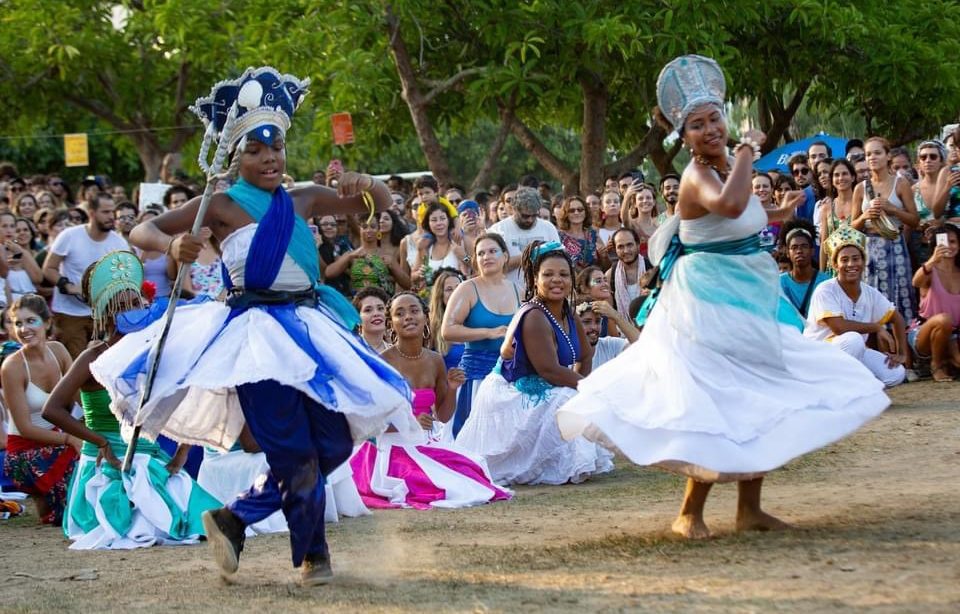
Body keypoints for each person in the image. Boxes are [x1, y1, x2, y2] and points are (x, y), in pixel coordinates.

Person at [87, 67, 418, 585]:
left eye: (276, 147)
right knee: (291, 449)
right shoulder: (219, 204)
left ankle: (235, 517)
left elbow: (376, 204)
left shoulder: (303, 197)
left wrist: (369, 184)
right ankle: (315, 558)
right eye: (255, 150)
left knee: (332, 443)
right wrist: (171, 245)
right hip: (254, 337)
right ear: (236, 157)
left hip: (311, 325)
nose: (269, 158)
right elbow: (142, 228)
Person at [556, 55, 889, 540]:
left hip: (744, 293)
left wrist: (778, 209)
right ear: (684, 136)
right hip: (705, 301)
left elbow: (742, 214)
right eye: (697, 124)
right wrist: (752, 155)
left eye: (714, 118)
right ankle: (689, 513)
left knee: (756, 392)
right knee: (714, 397)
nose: (710, 129)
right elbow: (730, 203)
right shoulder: (697, 174)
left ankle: (750, 509)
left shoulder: (727, 165)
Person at [42, 251, 220, 548]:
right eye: (123, 306)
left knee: (197, 519)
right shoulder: (93, 357)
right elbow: (52, 409)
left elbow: (187, 392)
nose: (134, 310)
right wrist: (100, 442)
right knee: (139, 526)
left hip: (149, 459)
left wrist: (184, 450)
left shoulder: (152, 354)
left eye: (138, 303)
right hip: (105, 463)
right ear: (107, 313)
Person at [457, 241, 613, 485]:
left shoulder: (568, 311)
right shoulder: (534, 316)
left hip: (542, 384)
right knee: (566, 399)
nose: (556, 280)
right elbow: (548, 370)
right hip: (511, 392)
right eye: (548, 274)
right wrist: (587, 389)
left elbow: (584, 355)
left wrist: (584, 387)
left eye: (563, 274)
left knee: (572, 398)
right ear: (535, 279)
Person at [350, 292, 510, 509]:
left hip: (424, 442)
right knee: (427, 485)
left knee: (470, 470)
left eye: (414, 311)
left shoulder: (435, 360)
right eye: (400, 313)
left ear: (425, 318)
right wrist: (408, 423)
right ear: (391, 324)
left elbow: (443, 416)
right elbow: (369, 422)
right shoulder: (382, 363)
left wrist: (452, 389)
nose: (408, 317)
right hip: (391, 447)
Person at [1, 295, 78, 525]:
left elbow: (81, 400)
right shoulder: (12, 366)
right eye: (18, 323)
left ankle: (50, 500)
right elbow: (24, 428)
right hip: (23, 454)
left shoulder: (59, 351)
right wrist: (70, 438)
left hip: (59, 444)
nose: (24, 329)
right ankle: (46, 496)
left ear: (47, 323)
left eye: (30, 321)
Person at [804, 226, 907, 387]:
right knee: (854, 340)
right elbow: (839, 328)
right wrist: (876, 328)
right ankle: (830, 387)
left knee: (896, 373)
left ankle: (861, 389)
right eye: (844, 260)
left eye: (856, 258)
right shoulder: (825, 289)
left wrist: (902, 353)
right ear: (835, 265)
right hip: (819, 356)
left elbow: (897, 318)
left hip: (853, 352)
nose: (851, 264)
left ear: (863, 262)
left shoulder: (869, 292)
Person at [441, 234, 519, 438]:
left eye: (492, 251)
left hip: (511, 375)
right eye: (481, 253)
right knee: (475, 439)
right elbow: (447, 330)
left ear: (505, 256)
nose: (486, 257)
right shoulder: (467, 288)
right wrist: (488, 332)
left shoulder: (518, 290)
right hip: (476, 376)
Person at [42, 192, 128, 357]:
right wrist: (69, 286)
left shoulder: (119, 243)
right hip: (70, 313)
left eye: (112, 212)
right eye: (105, 212)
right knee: (74, 364)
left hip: (104, 314)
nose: (111, 216)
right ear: (92, 213)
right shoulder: (69, 236)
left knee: (101, 364)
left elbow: (125, 278)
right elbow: (49, 269)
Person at [850, 136, 919, 323]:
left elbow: (915, 220)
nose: (872, 157)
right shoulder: (860, 188)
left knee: (899, 296)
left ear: (888, 156)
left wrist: (893, 209)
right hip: (869, 248)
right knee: (871, 297)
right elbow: (852, 226)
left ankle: (903, 344)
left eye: (877, 153)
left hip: (895, 246)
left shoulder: (901, 183)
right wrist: (865, 217)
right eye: (868, 154)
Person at [909, 223, 960, 381]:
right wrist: (932, 260)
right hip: (925, 332)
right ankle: (936, 365)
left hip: (954, 334)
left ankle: (948, 359)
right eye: (944, 242)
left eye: (953, 242)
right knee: (944, 320)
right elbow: (916, 283)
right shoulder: (929, 270)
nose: (949, 246)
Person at [488, 186, 561, 294]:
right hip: (508, 294)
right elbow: (494, 268)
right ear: (513, 209)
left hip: (542, 293)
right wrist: (527, 256)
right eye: (525, 216)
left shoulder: (548, 228)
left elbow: (559, 262)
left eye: (534, 216)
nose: (530, 220)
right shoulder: (498, 230)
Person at [779, 221, 830, 318]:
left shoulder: (825, 282)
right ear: (787, 253)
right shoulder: (779, 282)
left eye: (804, 246)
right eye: (794, 247)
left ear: (812, 251)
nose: (799, 251)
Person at [818, 159, 858, 272]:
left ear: (853, 177)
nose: (840, 178)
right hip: (834, 267)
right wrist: (822, 274)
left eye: (845, 174)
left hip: (856, 265)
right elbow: (824, 244)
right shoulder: (827, 207)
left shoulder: (860, 204)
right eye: (836, 175)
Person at [575, 299, 637, 369]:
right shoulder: (565, 355)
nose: (594, 327)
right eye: (586, 322)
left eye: (598, 321)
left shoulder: (609, 345)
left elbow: (643, 347)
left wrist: (617, 317)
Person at [428, 268, 465, 370]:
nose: (455, 293)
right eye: (449, 289)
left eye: (458, 288)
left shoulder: (475, 322)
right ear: (440, 296)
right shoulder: (431, 327)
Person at [557, 195, 606, 272]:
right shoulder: (559, 237)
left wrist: (603, 255)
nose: (576, 213)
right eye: (571, 210)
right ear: (566, 214)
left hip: (591, 281)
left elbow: (606, 265)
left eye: (580, 209)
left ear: (585, 212)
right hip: (569, 281)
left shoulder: (593, 234)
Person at [352, 287, 392, 353]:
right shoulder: (350, 350)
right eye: (368, 310)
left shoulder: (397, 353)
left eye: (380, 308)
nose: (376, 314)